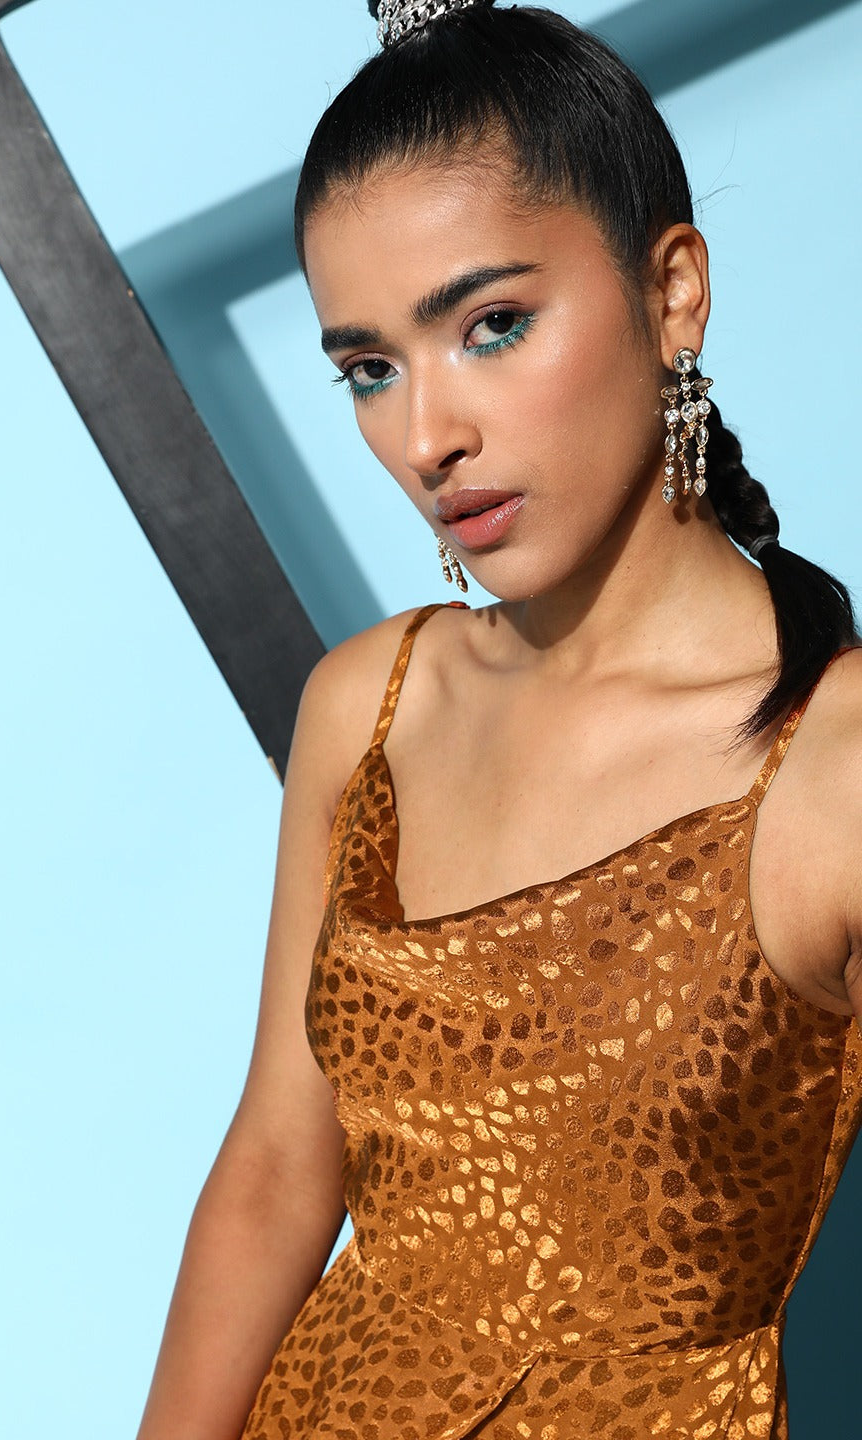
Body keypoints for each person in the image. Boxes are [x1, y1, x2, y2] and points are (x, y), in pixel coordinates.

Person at [136, 3, 862, 1436]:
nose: (426, 439)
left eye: (492, 327)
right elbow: (278, 1170)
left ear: (674, 293)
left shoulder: (831, 766)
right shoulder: (372, 707)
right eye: (370, 369)